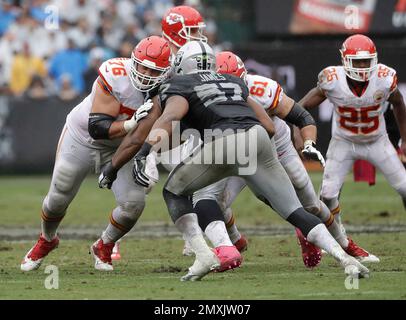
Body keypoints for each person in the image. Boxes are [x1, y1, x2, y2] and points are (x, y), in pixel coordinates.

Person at [129, 41, 370, 281]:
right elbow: (268, 126)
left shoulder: (180, 84)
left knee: (178, 191)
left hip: (229, 141)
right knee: (295, 210)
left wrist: (146, 151)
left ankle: (205, 254)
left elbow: (170, 118)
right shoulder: (235, 83)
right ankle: (346, 259)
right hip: (260, 141)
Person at [190, 51, 378, 269]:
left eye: (233, 84)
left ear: (244, 79)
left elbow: (301, 116)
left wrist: (307, 141)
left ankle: (345, 245)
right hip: (234, 153)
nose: (228, 92)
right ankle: (234, 243)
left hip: (275, 148)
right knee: (212, 201)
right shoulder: (201, 97)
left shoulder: (263, 90)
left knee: (310, 205)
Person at [20, 36, 171, 272]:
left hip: (125, 146)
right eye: (144, 67)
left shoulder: (167, 88)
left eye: (155, 71)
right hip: (84, 137)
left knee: (134, 204)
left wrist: (145, 154)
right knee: (58, 195)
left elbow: (160, 128)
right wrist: (130, 125)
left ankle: (104, 244)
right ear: (134, 61)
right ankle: (47, 239)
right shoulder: (115, 75)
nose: (147, 75)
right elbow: (97, 127)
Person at [300, 34, 406, 237]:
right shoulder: (332, 80)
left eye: (367, 60)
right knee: (327, 195)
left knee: (404, 187)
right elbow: (301, 107)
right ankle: (336, 232)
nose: (363, 66)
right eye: (357, 61)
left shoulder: (384, 78)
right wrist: (301, 136)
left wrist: (405, 139)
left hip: (377, 141)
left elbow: (399, 102)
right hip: (344, 142)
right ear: (344, 60)